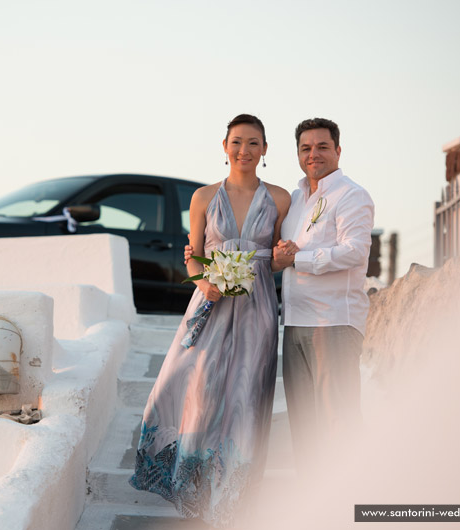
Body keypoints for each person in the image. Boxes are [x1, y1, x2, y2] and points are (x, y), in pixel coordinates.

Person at [130, 114, 290, 527]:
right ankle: (194, 489)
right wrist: (207, 281)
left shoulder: (281, 198)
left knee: (246, 394)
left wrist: (279, 260)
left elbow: (274, 258)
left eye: (254, 143)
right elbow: (194, 255)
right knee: (199, 388)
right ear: (224, 146)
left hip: (256, 309)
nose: (245, 150)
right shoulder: (202, 197)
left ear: (265, 150)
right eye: (237, 142)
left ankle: (234, 497)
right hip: (210, 305)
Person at [271, 118, 374, 474]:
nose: (313, 154)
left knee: (338, 422)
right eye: (306, 148)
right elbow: (279, 252)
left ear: (338, 150)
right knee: (304, 426)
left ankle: (349, 504)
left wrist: (297, 258)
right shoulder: (296, 199)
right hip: (296, 321)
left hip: (333, 321)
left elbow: (355, 251)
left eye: (322, 147)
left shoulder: (352, 195)